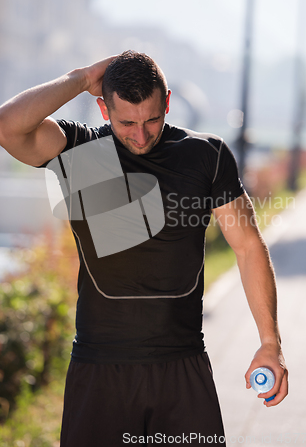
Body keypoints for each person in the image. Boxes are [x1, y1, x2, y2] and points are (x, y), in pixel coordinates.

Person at [0, 50, 288, 446]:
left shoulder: (207, 155)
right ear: (103, 109)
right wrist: (83, 77)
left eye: (152, 119)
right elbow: (8, 127)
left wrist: (270, 342)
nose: (140, 134)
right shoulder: (78, 148)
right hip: (100, 370)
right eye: (127, 122)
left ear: (167, 101)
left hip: (182, 366)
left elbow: (248, 247)